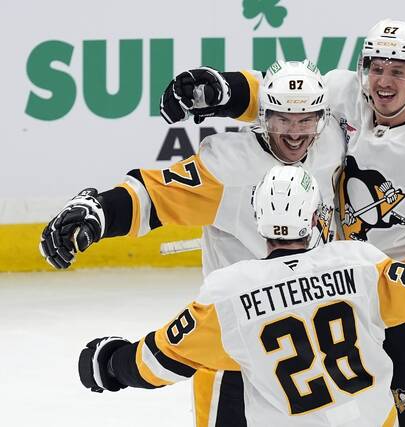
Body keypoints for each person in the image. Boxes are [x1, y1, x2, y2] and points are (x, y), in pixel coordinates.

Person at [159, 19, 405, 426]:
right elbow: (279, 95)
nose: (384, 81)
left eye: (398, 71)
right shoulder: (340, 94)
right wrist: (220, 90)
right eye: (376, 67)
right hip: (348, 295)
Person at [77, 165, 405, 427]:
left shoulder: (226, 295)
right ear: (318, 217)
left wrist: (107, 363)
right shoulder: (360, 265)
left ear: (259, 221)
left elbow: (155, 363)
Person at [40, 60, 344, 427]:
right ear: (263, 117)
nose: (295, 132)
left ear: (322, 118)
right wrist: (99, 212)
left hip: (316, 350)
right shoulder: (230, 168)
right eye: (282, 120)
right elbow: (157, 195)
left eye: (305, 120)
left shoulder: (333, 144)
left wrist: (227, 89)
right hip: (237, 355)